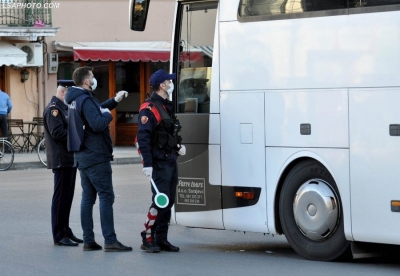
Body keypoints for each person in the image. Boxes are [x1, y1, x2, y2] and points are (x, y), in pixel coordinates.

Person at [65, 66, 132, 252]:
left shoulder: (75, 99)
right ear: (86, 81)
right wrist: (108, 115)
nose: (94, 80)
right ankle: (110, 240)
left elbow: (95, 111)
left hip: (83, 155)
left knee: (88, 197)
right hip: (95, 155)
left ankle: (88, 240)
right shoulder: (85, 99)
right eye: (92, 77)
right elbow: (96, 122)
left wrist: (113, 101)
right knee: (106, 196)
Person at [136, 69, 186, 253]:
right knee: (160, 201)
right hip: (158, 162)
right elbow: (142, 138)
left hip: (170, 160)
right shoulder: (148, 109)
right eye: (169, 81)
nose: (171, 84)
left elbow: (170, 131)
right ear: (162, 85)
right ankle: (147, 237)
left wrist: (178, 146)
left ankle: (161, 238)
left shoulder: (166, 106)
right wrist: (147, 164)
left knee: (169, 201)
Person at [43, 80, 83, 246]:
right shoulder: (54, 109)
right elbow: (57, 133)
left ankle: (65, 230)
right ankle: (59, 235)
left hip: (69, 159)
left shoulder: (63, 108)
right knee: (60, 198)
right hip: (61, 160)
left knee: (67, 197)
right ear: (64, 91)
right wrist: (76, 132)